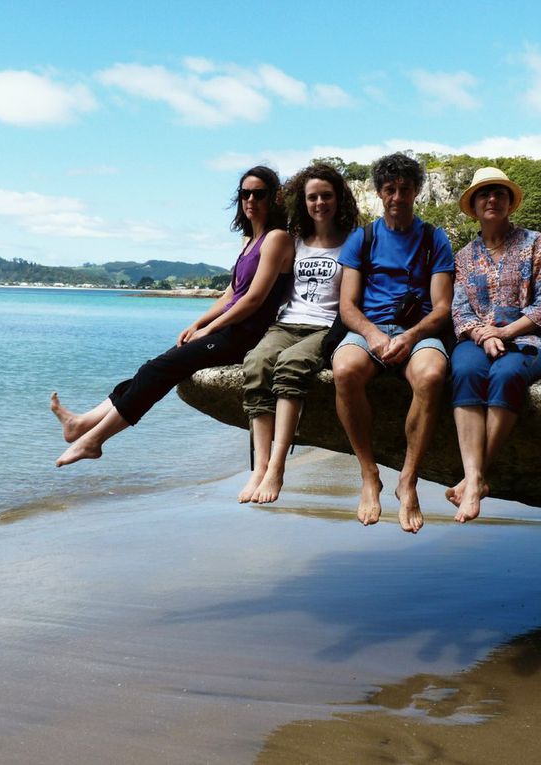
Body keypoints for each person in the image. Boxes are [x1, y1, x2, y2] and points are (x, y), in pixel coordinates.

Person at [51, 166, 294, 467]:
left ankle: (94, 440)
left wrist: (210, 330)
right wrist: (197, 324)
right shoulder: (248, 241)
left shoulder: (277, 238)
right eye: (245, 193)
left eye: (259, 193)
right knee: (152, 368)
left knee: (159, 370)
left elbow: (254, 299)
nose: (251, 200)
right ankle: (83, 423)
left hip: (246, 335)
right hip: (227, 330)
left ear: (273, 198)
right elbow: (231, 294)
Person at [331, 153, 454, 533]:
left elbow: (443, 308)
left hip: (418, 331)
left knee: (431, 376)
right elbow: (347, 306)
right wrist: (374, 335)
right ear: (380, 192)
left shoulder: (435, 239)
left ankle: (408, 479)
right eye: (390, 189)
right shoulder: (363, 238)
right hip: (370, 329)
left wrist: (410, 335)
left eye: (404, 189)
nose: (397, 197)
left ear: (416, 192)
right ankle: (369, 475)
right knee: (345, 369)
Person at [446, 167, 541, 522]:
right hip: (476, 337)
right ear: (475, 205)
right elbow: (459, 308)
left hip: (528, 338)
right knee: (465, 370)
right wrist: (484, 334)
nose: (492, 199)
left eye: (499, 193)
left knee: (507, 374)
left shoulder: (534, 243)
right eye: (484, 194)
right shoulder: (464, 256)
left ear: (510, 202)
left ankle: (473, 479)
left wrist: (504, 334)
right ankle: (476, 479)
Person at [237, 163, 359, 504]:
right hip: (287, 322)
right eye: (312, 197)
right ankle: (258, 468)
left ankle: (277, 469)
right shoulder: (294, 240)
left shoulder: (352, 244)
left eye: (326, 196)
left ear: (338, 199)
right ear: (303, 202)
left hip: (325, 328)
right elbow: (259, 281)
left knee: (291, 366)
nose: (319, 203)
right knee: (257, 363)